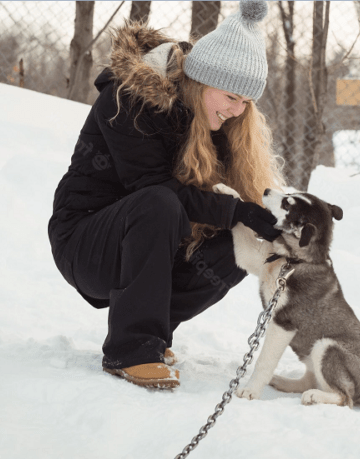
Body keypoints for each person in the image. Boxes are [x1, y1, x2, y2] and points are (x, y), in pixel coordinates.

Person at [47, 0, 283, 389]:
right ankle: (131, 348)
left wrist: (266, 220)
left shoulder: (217, 120)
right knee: (159, 202)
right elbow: (155, 188)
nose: (237, 110)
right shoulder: (130, 100)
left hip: (147, 240)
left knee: (238, 240)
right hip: (85, 241)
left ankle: (150, 330)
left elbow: (227, 207)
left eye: (245, 102)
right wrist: (234, 209)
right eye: (230, 97)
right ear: (202, 80)